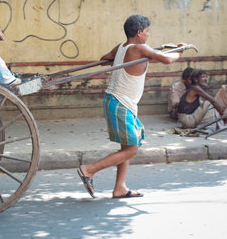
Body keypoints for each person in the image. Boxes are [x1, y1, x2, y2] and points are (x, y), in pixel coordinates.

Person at [77, 15, 185, 198]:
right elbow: (167, 60)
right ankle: (89, 169)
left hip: (117, 101)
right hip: (121, 104)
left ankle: (120, 188)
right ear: (139, 32)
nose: (148, 35)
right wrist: (181, 51)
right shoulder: (140, 48)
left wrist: (120, 60)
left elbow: (105, 58)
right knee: (132, 149)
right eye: (147, 31)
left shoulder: (121, 47)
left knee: (126, 147)